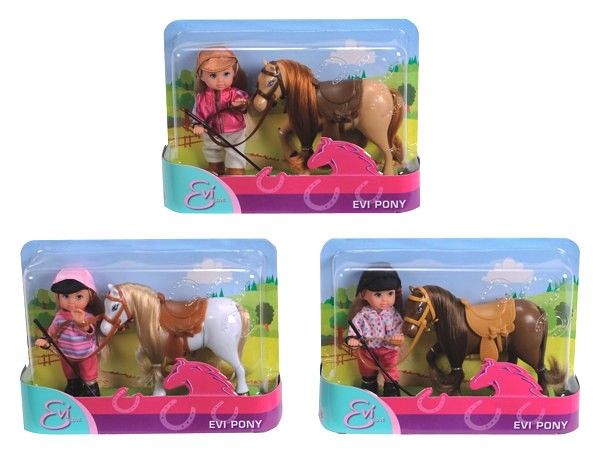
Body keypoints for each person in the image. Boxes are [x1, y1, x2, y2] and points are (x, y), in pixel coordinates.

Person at [35, 268, 103, 397]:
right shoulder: (59, 316)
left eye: (79, 296)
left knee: (88, 374)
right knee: (70, 374)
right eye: (65, 296)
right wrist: (45, 340)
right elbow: (52, 332)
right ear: (58, 297)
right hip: (66, 354)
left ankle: (91, 390)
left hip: (86, 354)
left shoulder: (87, 316)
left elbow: (90, 331)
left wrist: (81, 324)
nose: (71, 302)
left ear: (90, 296)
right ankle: (73, 387)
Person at [346, 267, 405, 396]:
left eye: (390, 294)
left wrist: (398, 337)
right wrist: (353, 339)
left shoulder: (393, 314)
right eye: (378, 295)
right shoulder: (363, 314)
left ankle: (392, 393)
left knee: (390, 372)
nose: (385, 300)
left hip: (388, 349)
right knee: (367, 371)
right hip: (368, 349)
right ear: (363, 294)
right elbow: (355, 327)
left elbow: (399, 328)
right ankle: (369, 392)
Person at [192, 47, 249, 176]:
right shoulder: (201, 97)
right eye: (213, 75)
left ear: (234, 73)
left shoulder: (235, 93)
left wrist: (239, 104)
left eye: (226, 74)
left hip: (235, 131)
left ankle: (236, 173)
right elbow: (197, 113)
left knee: (236, 154)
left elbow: (243, 103)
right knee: (212, 151)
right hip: (211, 131)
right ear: (201, 76)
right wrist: (197, 124)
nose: (220, 80)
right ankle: (215, 169)